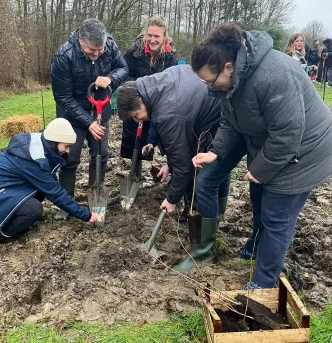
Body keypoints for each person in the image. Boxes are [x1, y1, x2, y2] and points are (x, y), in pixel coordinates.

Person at [190, 23, 332, 289]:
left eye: (210, 80)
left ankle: (264, 282)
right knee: (258, 199)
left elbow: (288, 134)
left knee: (277, 216)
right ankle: (257, 245)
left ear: (228, 67)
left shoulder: (273, 75)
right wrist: (216, 152)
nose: (209, 87)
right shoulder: (230, 85)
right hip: (270, 145)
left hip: (304, 151)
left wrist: (260, 170)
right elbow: (230, 121)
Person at [116, 66, 247, 265]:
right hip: (219, 122)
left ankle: (201, 252)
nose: (138, 119)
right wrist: (170, 164)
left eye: (136, 114)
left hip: (229, 129)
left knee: (203, 182)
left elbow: (184, 166)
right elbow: (183, 141)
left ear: (141, 100)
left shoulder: (168, 113)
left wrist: (171, 199)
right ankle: (214, 221)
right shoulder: (158, 84)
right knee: (215, 175)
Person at [0, 118, 98, 245]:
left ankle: (15, 217)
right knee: (34, 209)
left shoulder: (39, 142)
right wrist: (86, 215)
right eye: (66, 146)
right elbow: (55, 193)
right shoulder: (34, 160)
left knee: (39, 192)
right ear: (54, 141)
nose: (68, 151)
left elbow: (50, 181)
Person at [51, 18, 128, 220]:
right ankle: (65, 204)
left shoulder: (109, 44)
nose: (96, 54)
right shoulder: (63, 56)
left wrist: (110, 78)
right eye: (91, 50)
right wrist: (88, 122)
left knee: (100, 155)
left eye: (100, 50)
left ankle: (96, 194)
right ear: (80, 40)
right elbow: (63, 98)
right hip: (72, 116)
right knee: (69, 159)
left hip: (100, 110)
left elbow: (123, 68)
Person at [121, 15, 178, 179]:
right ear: (146, 34)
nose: (152, 40)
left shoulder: (170, 58)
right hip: (136, 102)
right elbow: (126, 74)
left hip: (158, 107)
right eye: (150, 35)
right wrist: (137, 87)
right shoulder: (134, 52)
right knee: (134, 141)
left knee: (166, 138)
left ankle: (172, 174)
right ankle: (136, 176)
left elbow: (172, 82)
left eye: (157, 36)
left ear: (164, 36)